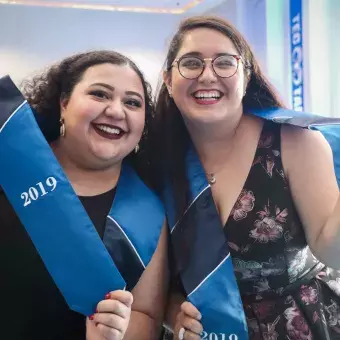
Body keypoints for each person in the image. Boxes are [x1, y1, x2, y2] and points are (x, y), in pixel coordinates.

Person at [148, 16, 340, 340]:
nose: (207, 75)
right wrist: (172, 312)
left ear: (246, 76)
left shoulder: (294, 142)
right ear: (168, 79)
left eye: (225, 63)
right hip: (207, 331)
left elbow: (330, 249)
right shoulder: (154, 161)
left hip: (298, 323)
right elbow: (155, 277)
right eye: (191, 63)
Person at [0, 51, 168, 340]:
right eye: (100, 94)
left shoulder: (149, 211)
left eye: (132, 102)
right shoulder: (11, 165)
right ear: (64, 103)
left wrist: (115, 333)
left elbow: (146, 316)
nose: (116, 111)